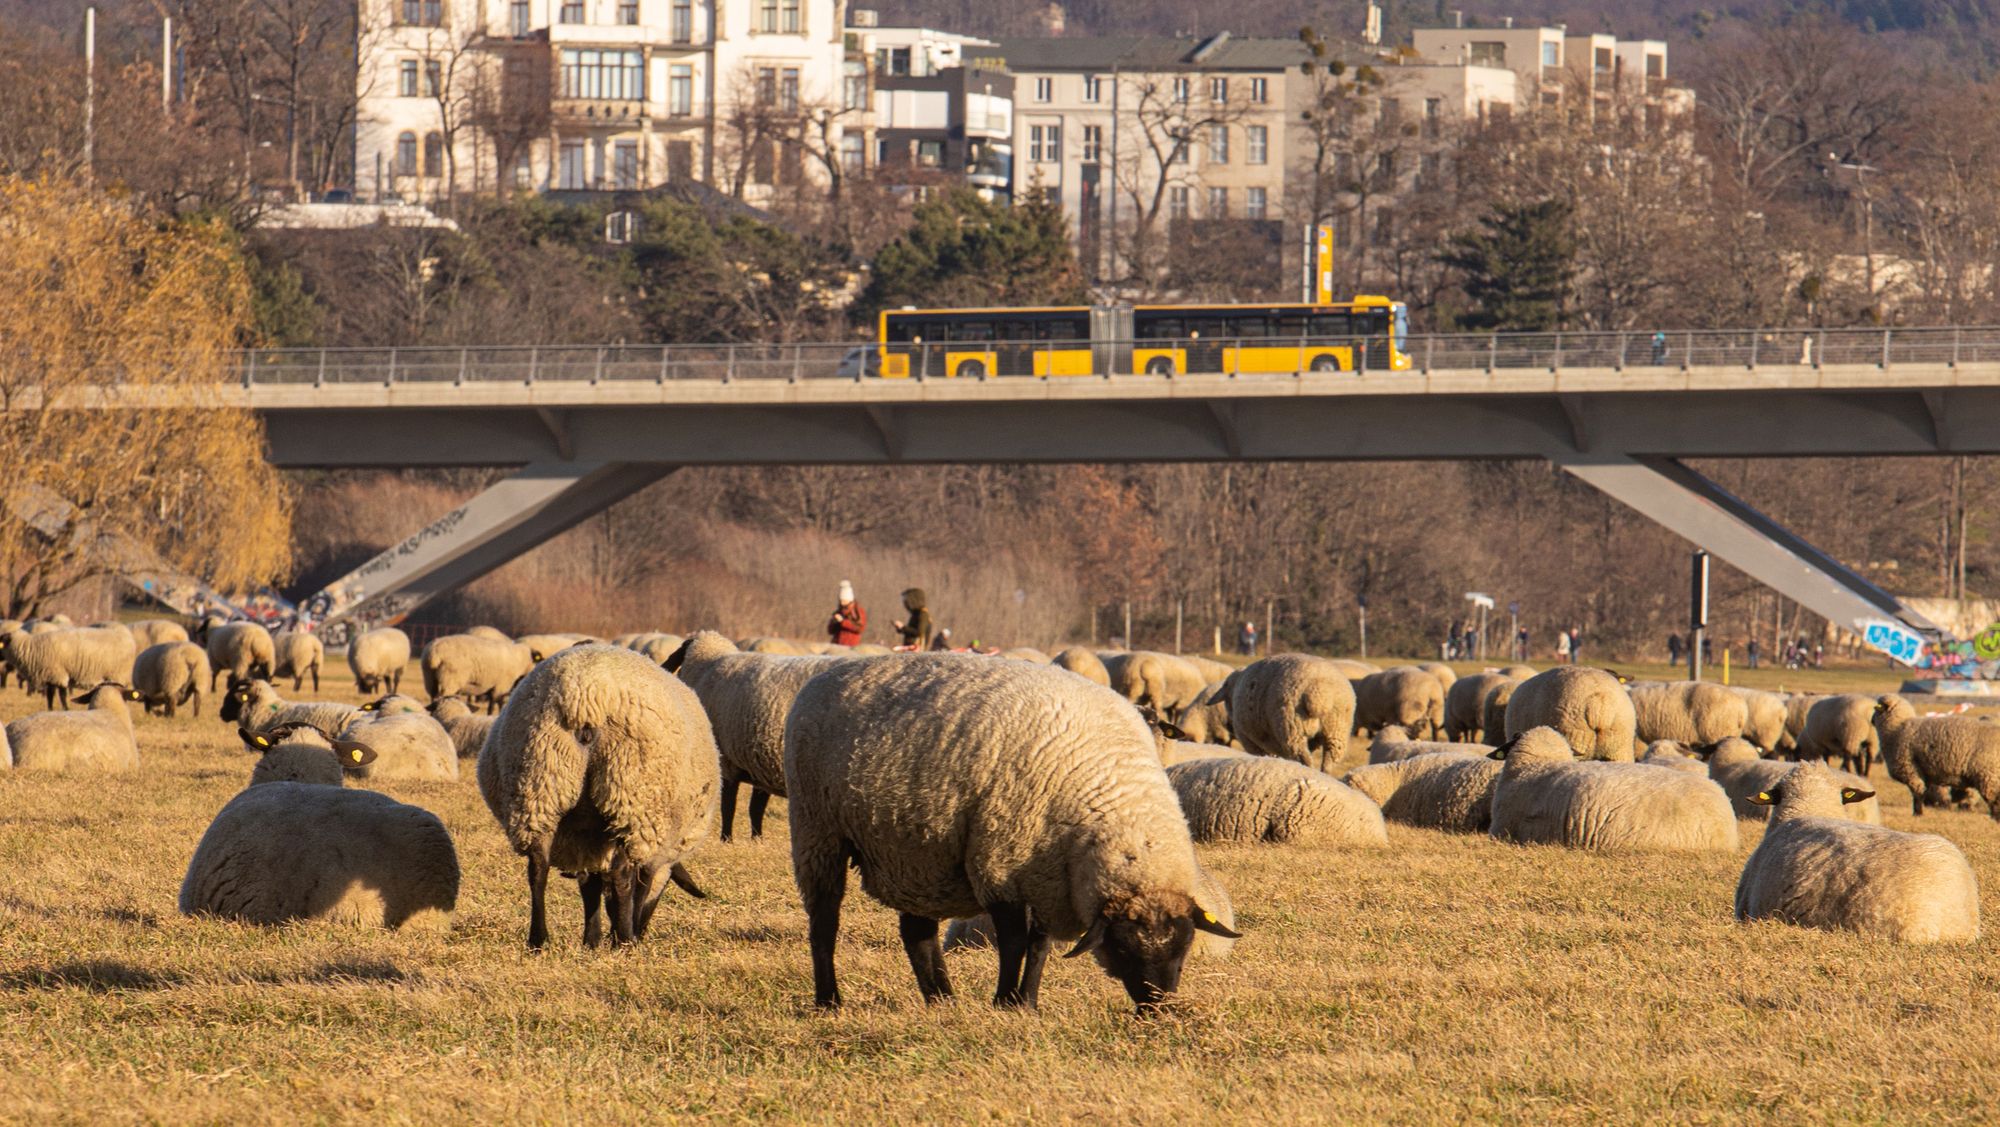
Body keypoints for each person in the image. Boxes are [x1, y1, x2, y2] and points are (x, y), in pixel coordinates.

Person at [826, 580, 866, 647]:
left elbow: (860, 628)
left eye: (844, 600)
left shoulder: (858, 612)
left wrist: (843, 622)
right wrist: (834, 621)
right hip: (837, 646)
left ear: (849, 599)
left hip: (851, 647)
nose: (842, 602)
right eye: (841, 600)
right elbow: (830, 631)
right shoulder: (838, 612)